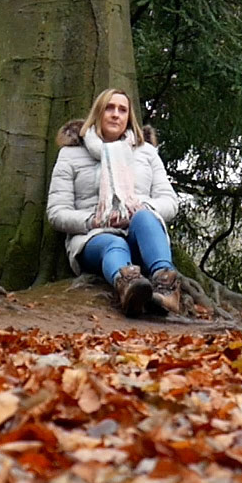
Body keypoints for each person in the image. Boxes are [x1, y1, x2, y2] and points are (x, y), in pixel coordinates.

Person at [47, 89, 183, 316]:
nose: (115, 114)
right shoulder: (70, 155)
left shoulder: (146, 152)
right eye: (109, 108)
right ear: (98, 113)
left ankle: (166, 289)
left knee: (145, 217)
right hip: (94, 239)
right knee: (113, 243)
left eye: (122, 110)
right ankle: (130, 288)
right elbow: (56, 212)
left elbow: (170, 201)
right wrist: (93, 220)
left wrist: (141, 206)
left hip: (141, 237)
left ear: (129, 117)